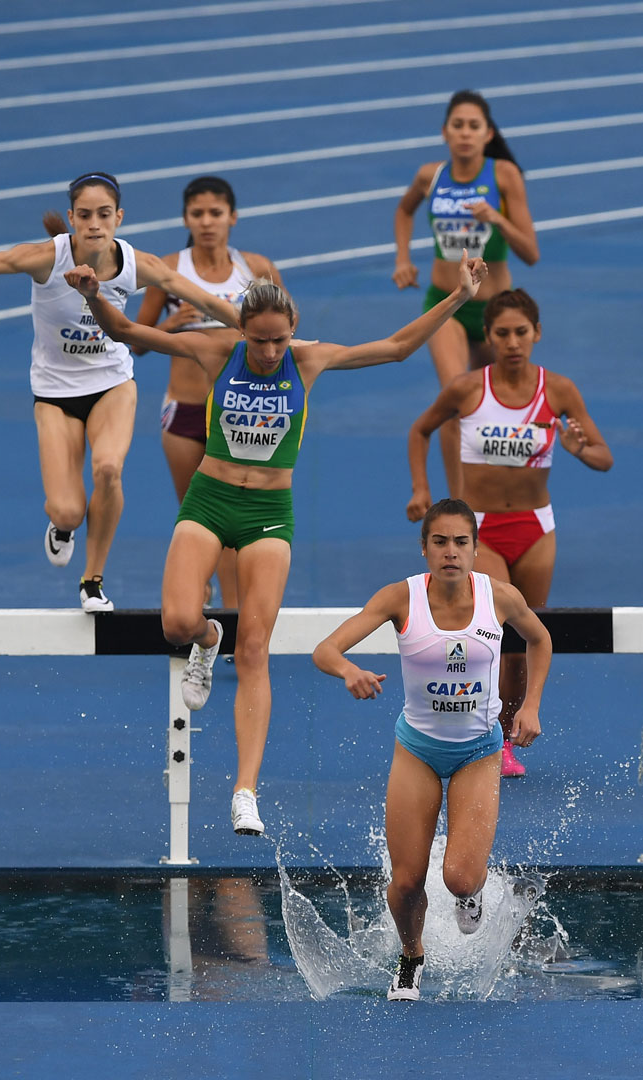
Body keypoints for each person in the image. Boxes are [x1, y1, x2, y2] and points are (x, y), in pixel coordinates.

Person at [65, 250, 488, 836]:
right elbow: (128, 330)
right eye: (260, 342)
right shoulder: (216, 350)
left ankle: (245, 790)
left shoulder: (307, 362)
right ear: (241, 330)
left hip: (268, 513)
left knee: (257, 647)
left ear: (293, 332)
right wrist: (92, 296)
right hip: (210, 502)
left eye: (279, 342)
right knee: (177, 623)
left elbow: (395, 348)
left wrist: (460, 297)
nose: (269, 354)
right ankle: (209, 637)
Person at [0, 171, 240, 612]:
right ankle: (61, 528)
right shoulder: (45, 259)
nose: (94, 224)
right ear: (73, 218)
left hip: (112, 384)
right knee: (66, 511)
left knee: (109, 469)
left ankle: (93, 581)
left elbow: (211, 303)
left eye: (103, 214)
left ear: (119, 217)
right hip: (55, 393)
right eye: (84, 215)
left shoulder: (138, 265)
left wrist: (267, 335)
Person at [312, 499, 552, 1002]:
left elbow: (540, 639)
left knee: (461, 878)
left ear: (475, 548)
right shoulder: (400, 599)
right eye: (439, 542)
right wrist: (349, 671)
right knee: (405, 884)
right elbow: (325, 650)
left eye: (460, 542)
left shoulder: (500, 597)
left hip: (478, 753)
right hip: (417, 752)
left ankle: (475, 894)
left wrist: (528, 707)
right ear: (424, 549)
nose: (450, 552)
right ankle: (411, 956)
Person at [406, 289, 612, 777]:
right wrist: (422, 489)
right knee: (493, 635)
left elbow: (604, 457)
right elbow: (420, 430)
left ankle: (505, 734)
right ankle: (479, 736)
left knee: (522, 637)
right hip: (483, 530)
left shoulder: (558, 390)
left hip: (536, 527)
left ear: (537, 334)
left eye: (522, 332)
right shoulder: (468, 389)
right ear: (488, 336)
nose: (513, 341)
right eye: (503, 333)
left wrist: (580, 450)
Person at [134, 176, 284, 608]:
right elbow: (138, 341)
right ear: (185, 218)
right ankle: (199, 606)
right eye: (197, 214)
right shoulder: (166, 268)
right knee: (198, 523)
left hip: (239, 416)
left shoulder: (255, 268)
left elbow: (287, 331)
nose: (206, 222)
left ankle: (234, 620)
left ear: (232, 217)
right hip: (183, 412)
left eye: (215, 213)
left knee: (235, 526)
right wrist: (171, 325)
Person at [393, 90, 539, 498]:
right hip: (448, 304)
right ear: (445, 132)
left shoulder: (504, 176)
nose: (465, 133)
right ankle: (463, 508)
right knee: (456, 400)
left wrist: (497, 219)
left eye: (474, 126)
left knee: (505, 404)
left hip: (498, 314)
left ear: (487, 134)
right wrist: (403, 258)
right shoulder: (430, 176)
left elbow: (531, 252)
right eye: (457, 125)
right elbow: (404, 210)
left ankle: (506, 493)